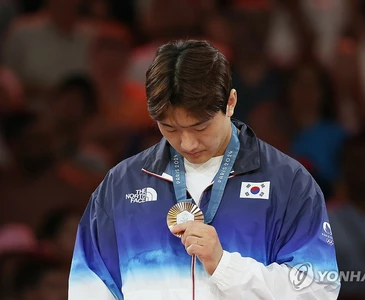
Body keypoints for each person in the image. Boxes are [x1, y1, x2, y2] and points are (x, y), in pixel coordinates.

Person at [68, 40, 340, 299]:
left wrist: (225, 266)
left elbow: (318, 289)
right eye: (170, 128)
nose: (187, 142)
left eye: (200, 126)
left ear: (230, 103)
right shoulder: (121, 185)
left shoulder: (288, 182)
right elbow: (88, 286)